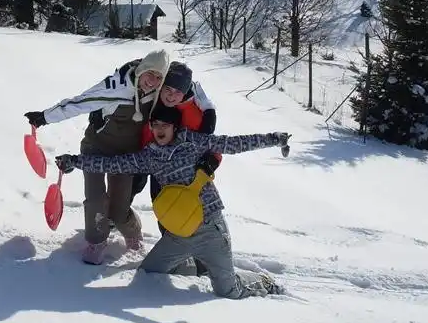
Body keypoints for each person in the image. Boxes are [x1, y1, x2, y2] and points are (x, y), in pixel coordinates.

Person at [54, 103, 291, 298]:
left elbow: (234, 143)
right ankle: (201, 265)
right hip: (179, 235)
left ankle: (263, 282)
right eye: (154, 124)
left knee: (228, 290)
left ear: (174, 127)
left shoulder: (194, 143)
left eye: (164, 125)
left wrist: (273, 138)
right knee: (149, 273)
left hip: (211, 229)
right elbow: (112, 164)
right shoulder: (150, 156)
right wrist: (75, 161)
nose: (159, 129)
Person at [24, 49, 171, 265]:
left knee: (119, 208)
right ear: (142, 69)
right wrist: (44, 117)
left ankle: (133, 232)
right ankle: (96, 241)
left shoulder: (158, 93)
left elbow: (186, 91)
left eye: (159, 77)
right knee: (95, 199)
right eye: (151, 74)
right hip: (97, 147)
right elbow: (80, 103)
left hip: (126, 155)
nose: (153, 81)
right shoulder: (116, 86)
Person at [129, 61, 220, 276]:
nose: (171, 96)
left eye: (177, 92)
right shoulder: (154, 102)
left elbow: (211, 143)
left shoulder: (194, 112)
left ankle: (201, 262)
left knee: (193, 216)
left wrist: (212, 161)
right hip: (157, 169)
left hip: (189, 175)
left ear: (185, 92)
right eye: (167, 90)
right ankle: (175, 257)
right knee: (165, 213)